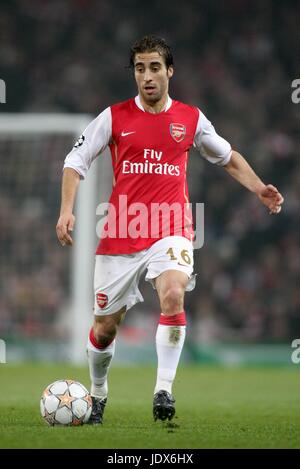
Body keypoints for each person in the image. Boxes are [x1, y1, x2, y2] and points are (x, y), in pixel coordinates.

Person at [56, 35, 284, 424]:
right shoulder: (113, 117)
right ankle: (98, 394)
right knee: (105, 329)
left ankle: (164, 389)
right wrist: (66, 211)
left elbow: (227, 157)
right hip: (123, 230)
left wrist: (260, 188)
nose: (147, 76)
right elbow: (75, 160)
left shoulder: (191, 119)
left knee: (174, 292)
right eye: (140, 68)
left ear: (169, 71)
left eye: (155, 67)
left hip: (172, 226)